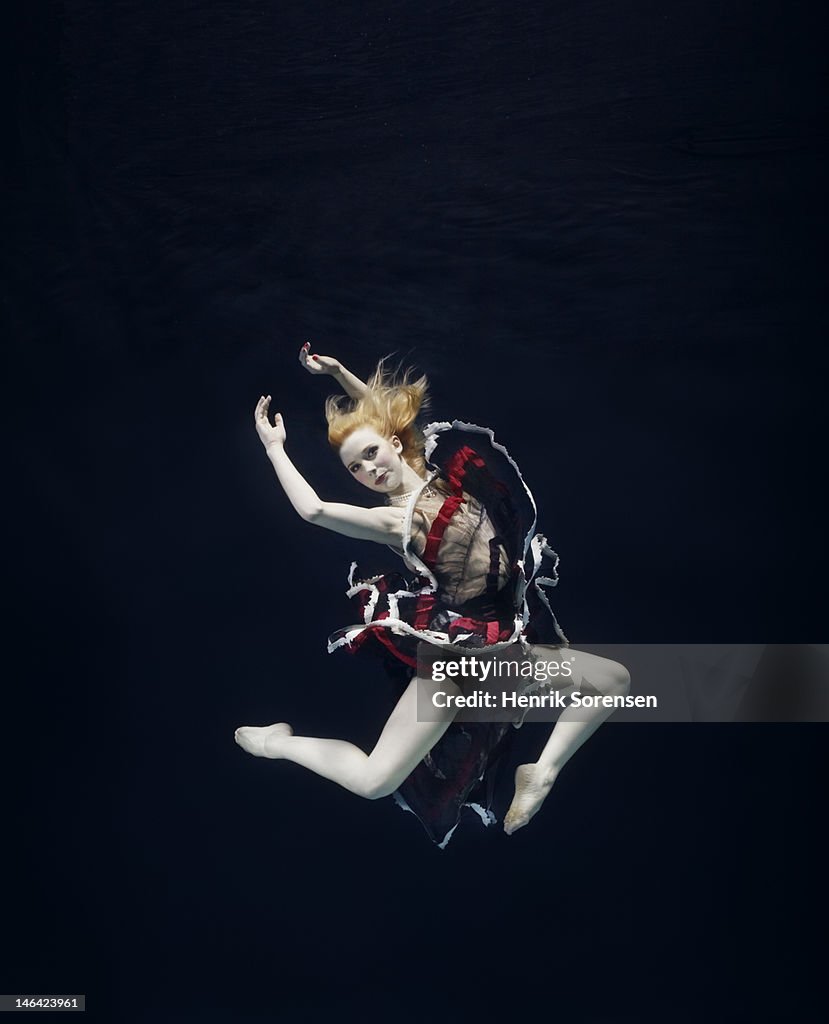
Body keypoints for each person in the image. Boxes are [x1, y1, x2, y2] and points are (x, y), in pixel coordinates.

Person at [234, 345, 630, 845]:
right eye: (356, 468)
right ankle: (277, 743)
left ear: (397, 445)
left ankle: (542, 772)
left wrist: (337, 373)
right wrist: (274, 447)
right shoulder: (393, 521)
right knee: (375, 781)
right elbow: (313, 511)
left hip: (503, 647)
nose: (369, 470)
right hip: (454, 658)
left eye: (372, 454)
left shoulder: (438, 473)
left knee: (613, 680)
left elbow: (381, 414)